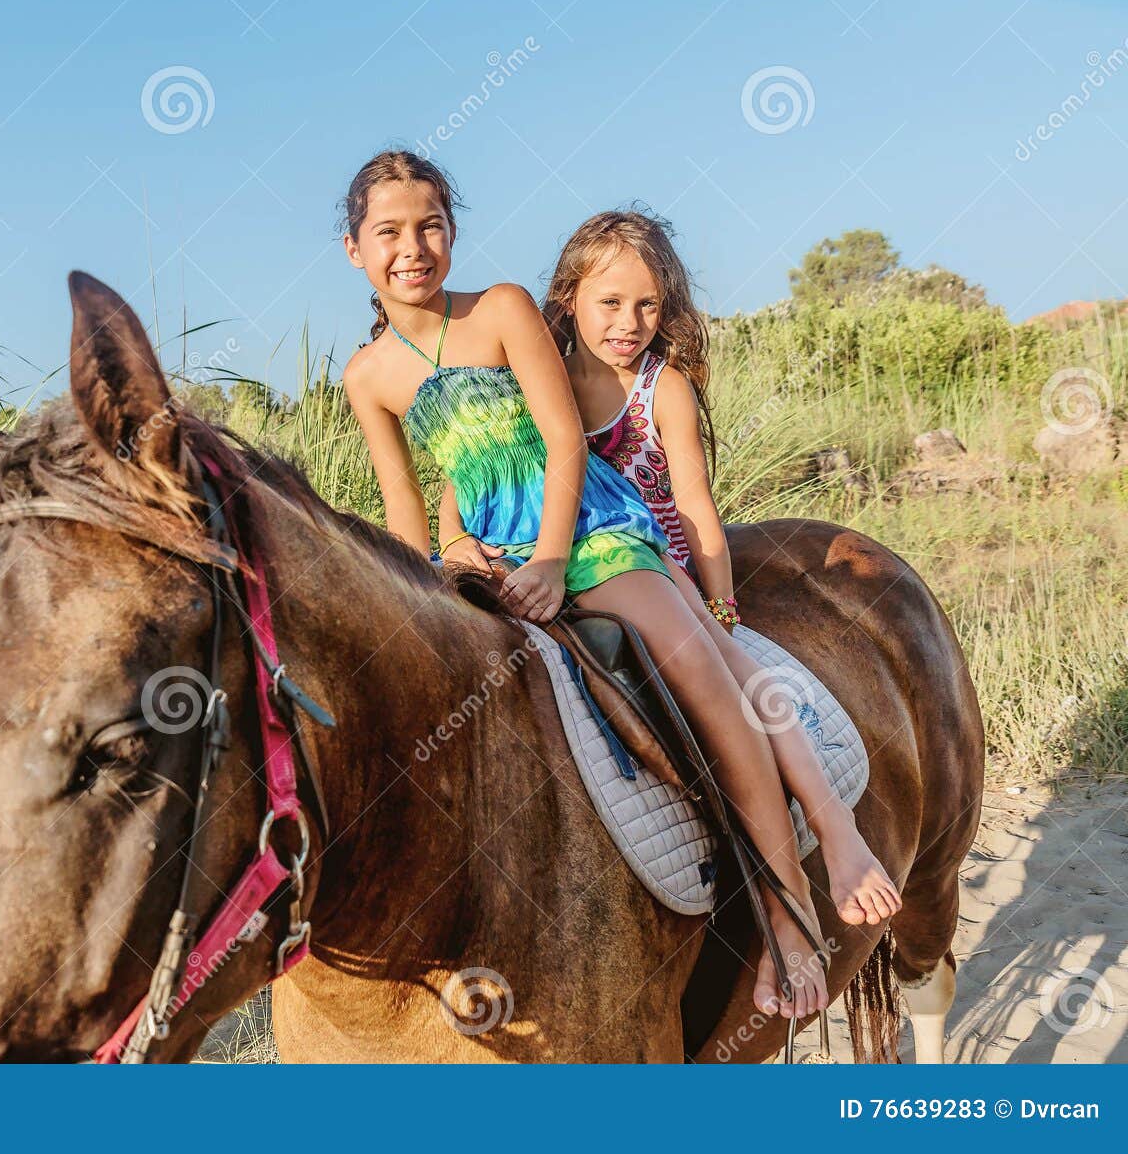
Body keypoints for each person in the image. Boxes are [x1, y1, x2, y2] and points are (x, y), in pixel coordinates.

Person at [339, 150, 826, 1018]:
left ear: (452, 234)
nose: (412, 247)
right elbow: (403, 509)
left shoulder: (499, 311)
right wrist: (436, 574)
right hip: (486, 550)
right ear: (355, 250)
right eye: (389, 232)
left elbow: (565, 440)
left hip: (588, 530)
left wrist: (555, 560)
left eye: (431, 226)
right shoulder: (367, 375)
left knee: (707, 684)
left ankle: (790, 918)